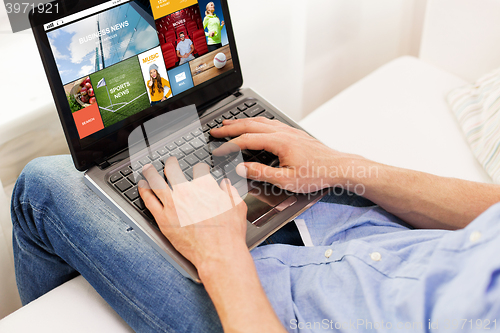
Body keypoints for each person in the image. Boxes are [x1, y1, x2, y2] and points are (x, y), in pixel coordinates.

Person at [12, 117, 500, 332]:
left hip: (264, 315)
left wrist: (220, 251)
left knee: (43, 186)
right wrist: (345, 166)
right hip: (368, 237)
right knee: (232, 138)